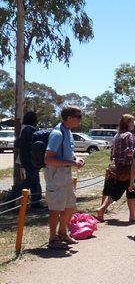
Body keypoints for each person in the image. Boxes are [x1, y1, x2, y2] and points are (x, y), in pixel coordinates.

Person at [43, 106, 86, 249]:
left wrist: (76, 158)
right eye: (78, 116)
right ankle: (53, 238)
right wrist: (72, 163)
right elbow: (48, 159)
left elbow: (68, 153)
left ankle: (62, 233)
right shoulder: (57, 134)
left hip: (66, 174)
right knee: (56, 208)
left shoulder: (67, 132)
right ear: (69, 118)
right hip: (56, 175)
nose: (80, 119)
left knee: (69, 205)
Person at [96, 114, 135, 223]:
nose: (134, 123)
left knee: (123, 191)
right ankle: (102, 209)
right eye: (133, 121)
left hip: (118, 168)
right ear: (128, 122)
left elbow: (112, 153)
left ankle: (132, 216)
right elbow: (130, 152)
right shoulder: (129, 135)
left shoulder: (117, 135)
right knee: (127, 191)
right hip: (128, 168)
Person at [7, 111, 43, 209]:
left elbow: (17, 143)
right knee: (29, 181)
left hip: (27, 159)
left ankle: (36, 202)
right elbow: (32, 146)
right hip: (31, 160)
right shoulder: (30, 130)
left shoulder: (24, 129)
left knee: (35, 180)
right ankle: (10, 199)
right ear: (33, 120)